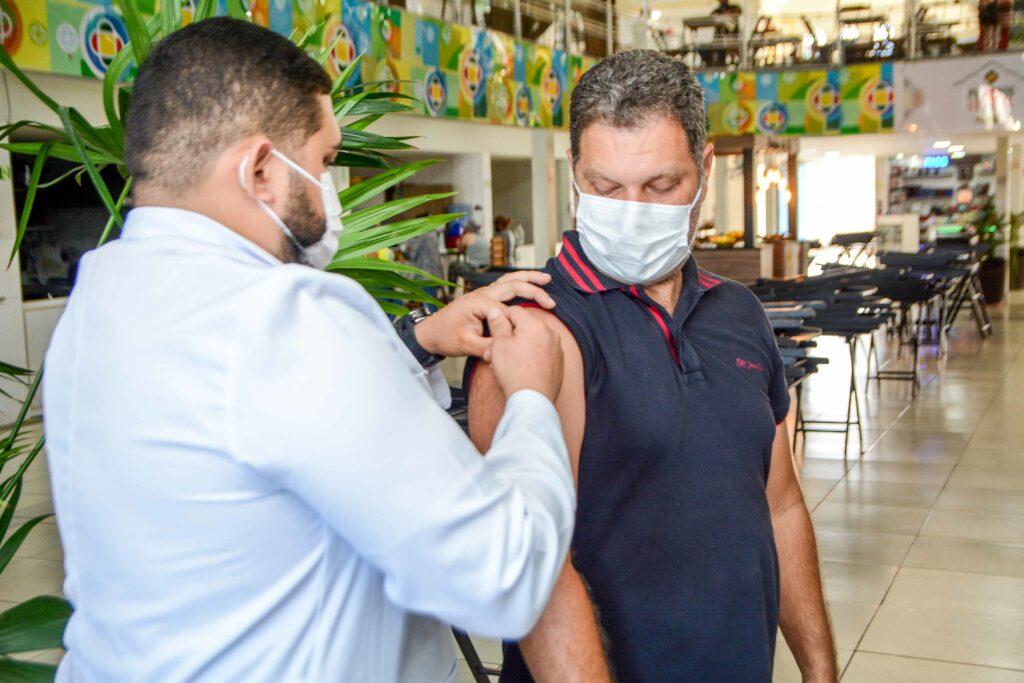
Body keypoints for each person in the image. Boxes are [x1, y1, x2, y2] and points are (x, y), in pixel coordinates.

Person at [43, 18, 577, 682]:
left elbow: (254, 427)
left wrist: (417, 342)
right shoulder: (280, 316)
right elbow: (504, 574)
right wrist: (532, 399)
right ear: (261, 170)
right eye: (324, 162)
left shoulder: (102, 295)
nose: (331, 190)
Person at [467, 50, 836, 682]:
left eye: (662, 186)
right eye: (607, 188)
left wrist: (820, 670)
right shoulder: (534, 329)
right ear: (574, 173)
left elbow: (779, 505)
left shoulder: (738, 312)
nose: (633, 209)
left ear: (706, 169)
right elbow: (530, 567)